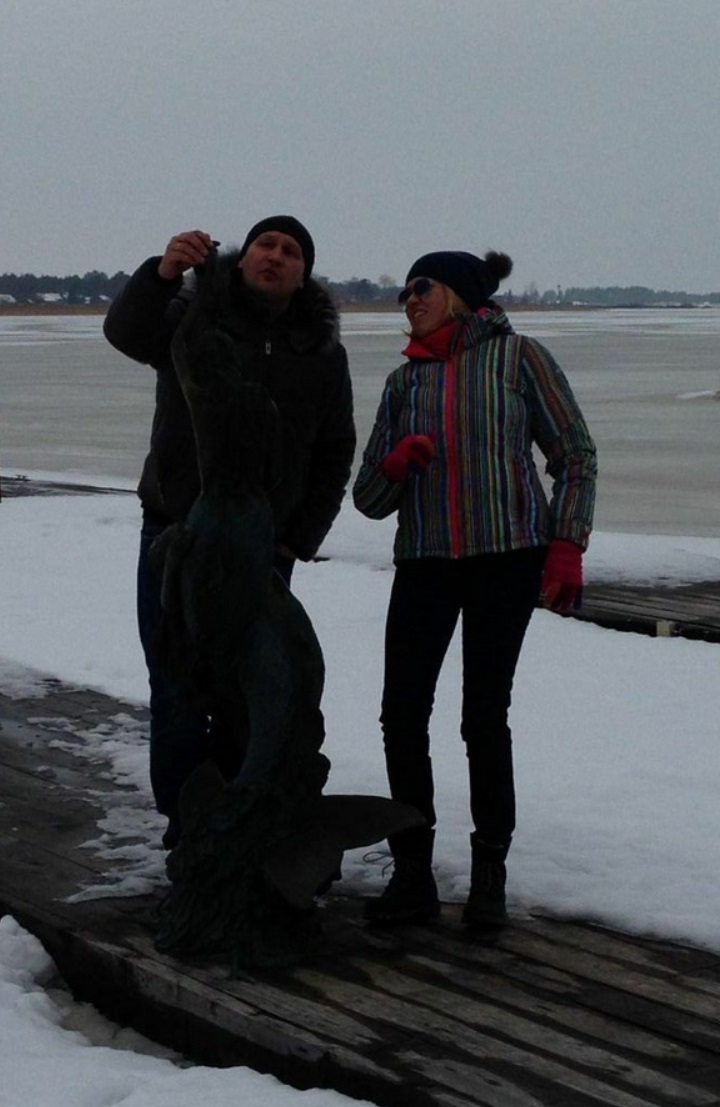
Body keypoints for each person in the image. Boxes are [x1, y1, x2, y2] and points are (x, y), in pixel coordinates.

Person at [353, 249, 597, 929]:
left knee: (483, 717)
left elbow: (576, 454)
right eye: (404, 291)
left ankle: (489, 873)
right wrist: (396, 466)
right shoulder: (404, 382)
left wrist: (567, 544)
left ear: (459, 295)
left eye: (421, 287)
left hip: (507, 560)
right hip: (425, 562)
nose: (409, 299)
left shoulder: (520, 358)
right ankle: (412, 873)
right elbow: (367, 497)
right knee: (402, 715)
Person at [103, 216, 355, 848]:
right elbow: (125, 332)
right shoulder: (194, 319)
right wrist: (163, 273)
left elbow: (335, 450)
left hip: (263, 549)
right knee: (177, 686)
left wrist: (301, 536)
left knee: (256, 690)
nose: (276, 255)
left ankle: (247, 824)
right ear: (242, 259)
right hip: (176, 536)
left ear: (303, 275)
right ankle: (188, 832)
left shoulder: (322, 352)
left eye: (291, 251)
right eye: (266, 244)